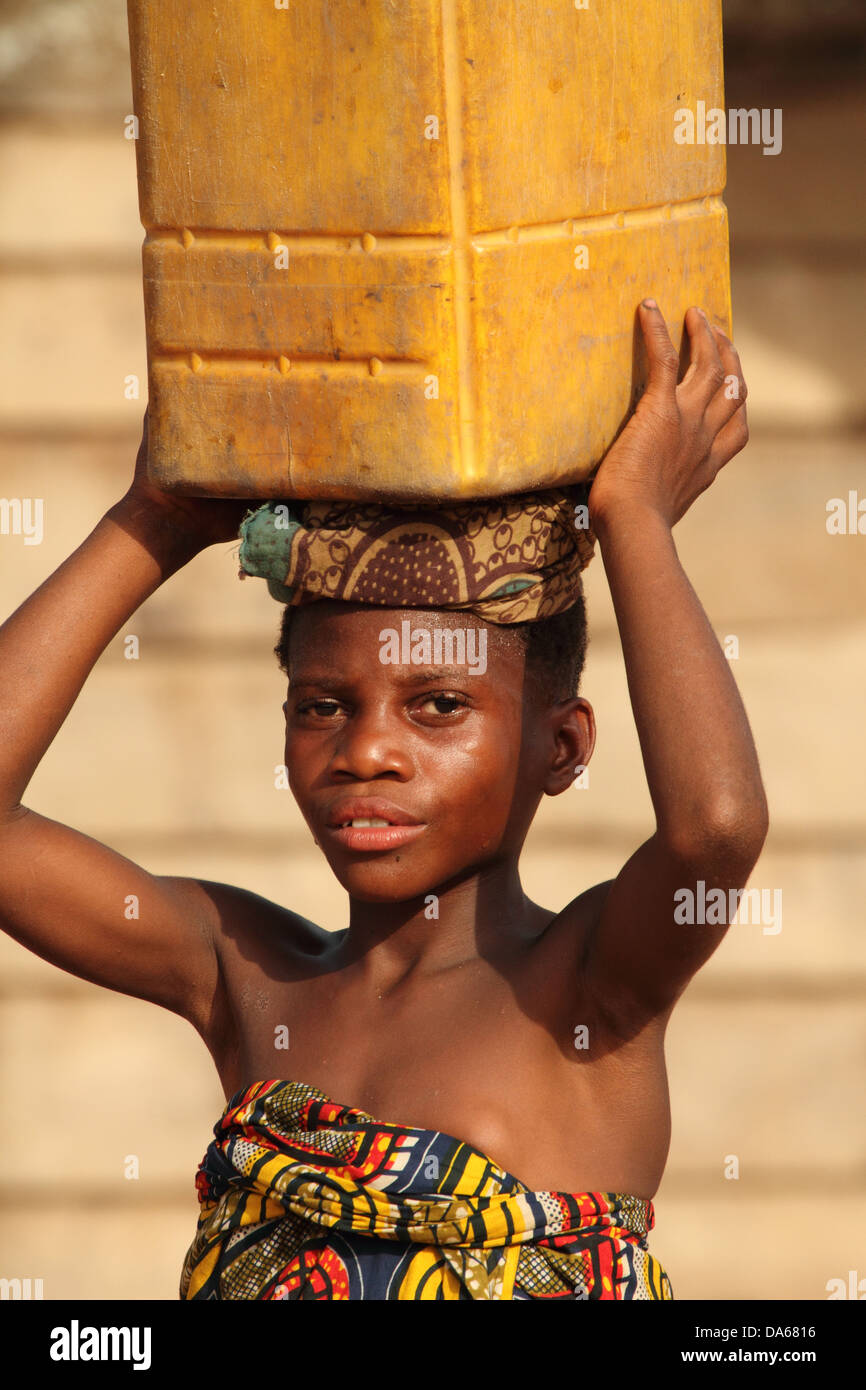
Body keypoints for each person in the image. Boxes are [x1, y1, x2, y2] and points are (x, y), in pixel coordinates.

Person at [0, 302, 766, 1300]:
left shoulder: (586, 992)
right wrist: (157, 519)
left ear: (561, 744)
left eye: (436, 707)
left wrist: (632, 519)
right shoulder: (246, 977)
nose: (365, 751)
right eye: (322, 705)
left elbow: (713, 828)